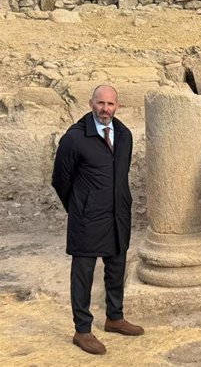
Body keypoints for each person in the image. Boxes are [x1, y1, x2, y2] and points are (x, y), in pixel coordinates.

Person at [51, 85, 144, 355]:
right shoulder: (74, 138)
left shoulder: (124, 135)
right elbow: (60, 180)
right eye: (100, 103)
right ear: (91, 103)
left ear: (118, 106)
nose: (105, 109)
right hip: (87, 217)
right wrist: (80, 206)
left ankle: (114, 317)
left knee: (116, 266)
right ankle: (82, 330)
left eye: (110, 104)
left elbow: (120, 173)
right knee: (83, 274)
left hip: (118, 214)